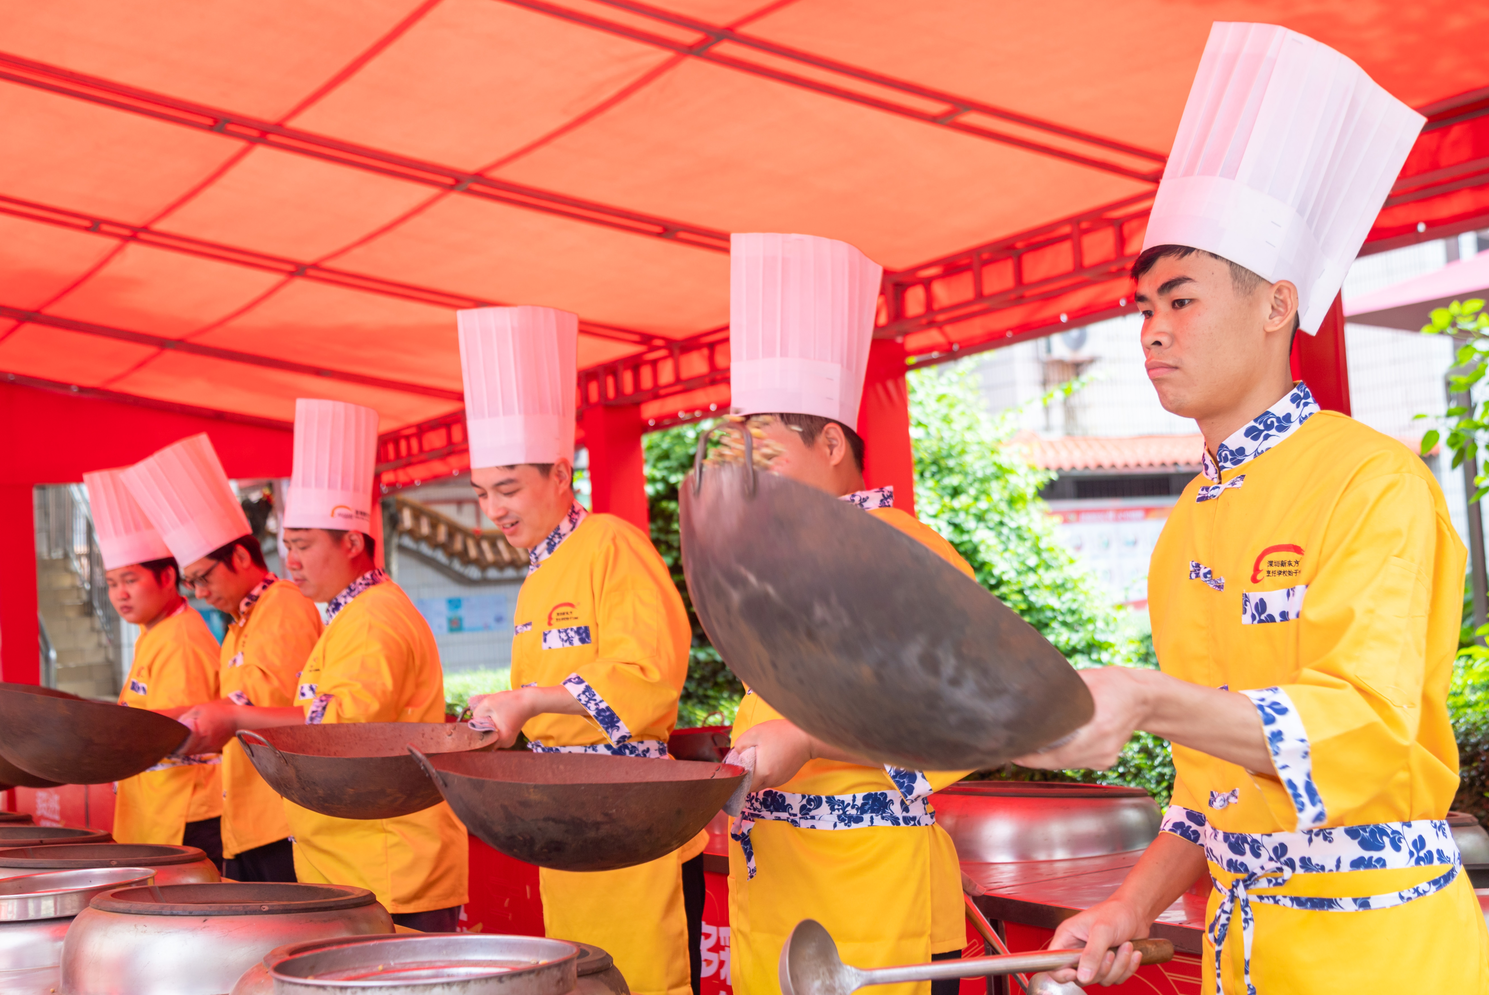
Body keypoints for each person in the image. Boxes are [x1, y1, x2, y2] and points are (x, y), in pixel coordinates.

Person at [1012, 23, 1489, 993]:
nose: (1151, 332)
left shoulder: (1372, 482)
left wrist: (1145, 697)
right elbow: (1210, 788)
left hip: (1382, 958)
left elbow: (1362, 726)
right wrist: (1129, 905)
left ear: (1277, 305)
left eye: (1179, 301)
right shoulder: (1186, 522)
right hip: (1242, 952)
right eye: (1143, 310)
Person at [721, 233, 973, 995]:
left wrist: (804, 736)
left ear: (831, 441)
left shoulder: (909, 553)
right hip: (777, 882)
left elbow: (960, 708)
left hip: (870, 893)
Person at [459, 306, 700, 995]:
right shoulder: (538, 574)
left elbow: (646, 676)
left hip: (632, 823)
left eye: (507, 488)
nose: (494, 511)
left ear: (560, 473)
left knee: (641, 978)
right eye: (481, 494)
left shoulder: (612, 545)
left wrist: (531, 699)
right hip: (567, 819)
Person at [177, 399, 468, 929]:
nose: (291, 561)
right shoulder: (346, 615)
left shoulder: (375, 616)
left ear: (353, 540)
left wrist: (237, 718)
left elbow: (339, 730)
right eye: (287, 546)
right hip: (347, 858)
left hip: (388, 863)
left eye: (304, 546)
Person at [124, 433, 322, 882]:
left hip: (282, 819)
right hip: (247, 820)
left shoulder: (284, 607)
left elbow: (272, 713)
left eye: (203, 577)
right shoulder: (237, 626)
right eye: (191, 582)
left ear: (239, 554)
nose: (199, 592)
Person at [84, 467, 222, 865]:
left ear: (166, 577)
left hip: (184, 814)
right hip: (155, 809)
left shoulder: (181, 637)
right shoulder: (153, 631)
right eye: (111, 583)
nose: (119, 594)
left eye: (129, 580)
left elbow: (178, 727)